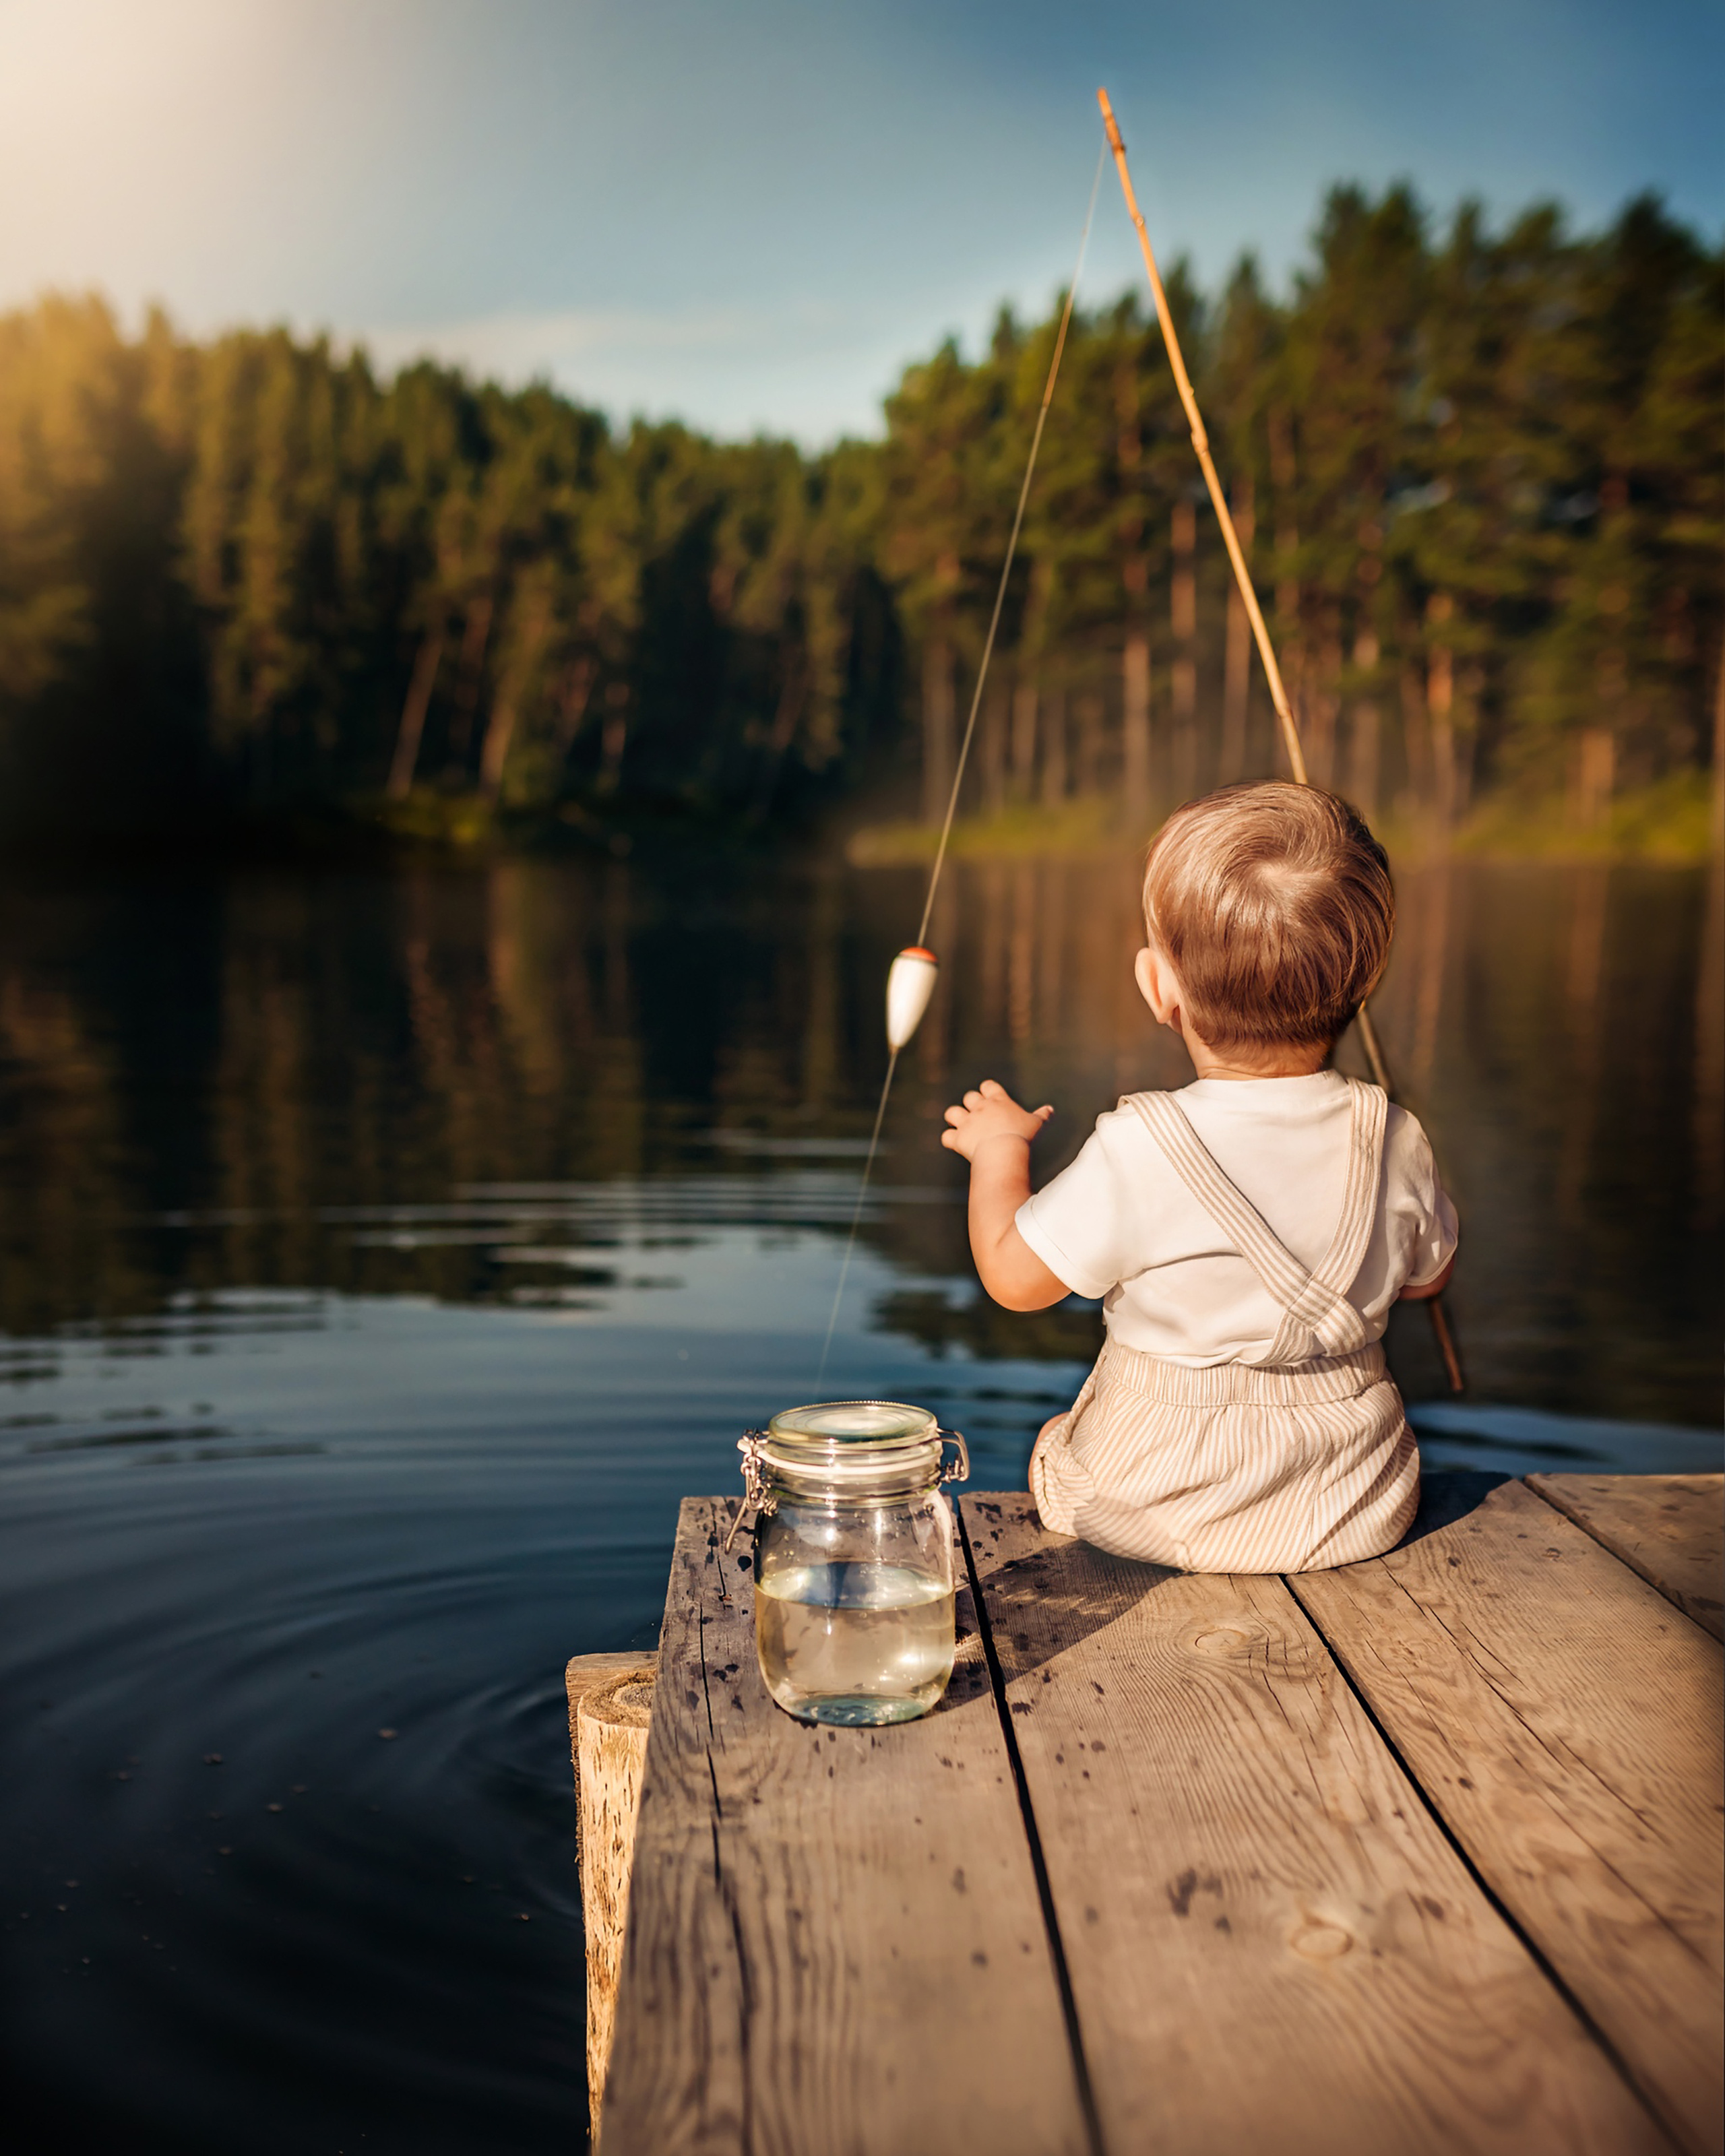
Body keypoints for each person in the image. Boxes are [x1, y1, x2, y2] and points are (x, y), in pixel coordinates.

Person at [940, 781, 1457, 1573]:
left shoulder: (1139, 1144)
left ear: (1158, 987)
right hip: (1352, 1504)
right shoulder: (1394, 1131)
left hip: (1147, 1505)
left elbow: (1015, 1279)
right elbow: (1425, 1276)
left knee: (1058, 1442)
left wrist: (998, 1152)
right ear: (1365, 982)